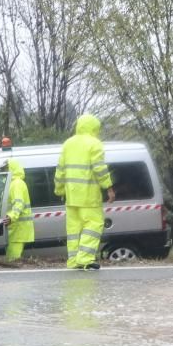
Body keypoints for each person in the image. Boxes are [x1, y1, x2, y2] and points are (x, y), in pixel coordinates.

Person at [55, 113, 115, 270]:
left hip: (71, 197)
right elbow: (99, 169)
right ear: (94, 128)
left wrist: (59, 190)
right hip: (88, 196)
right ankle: (85, 258)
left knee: (73, 230)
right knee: (94, 224)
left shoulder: (67, 144)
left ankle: (73, 260)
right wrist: (109, 188)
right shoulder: (95, 144)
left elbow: (60, 170)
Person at [2, 158, 34, 262]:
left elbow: (18, 203)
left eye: (5, 168)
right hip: (14, 228)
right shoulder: (11, 184)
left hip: (18, 228)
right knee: (11, 258)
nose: (3, 171)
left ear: (12, 168)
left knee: (13, 260)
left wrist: (11, 217)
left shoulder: (16, 184)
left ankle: (15, 277)